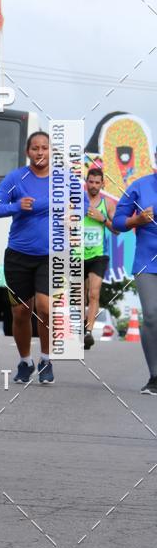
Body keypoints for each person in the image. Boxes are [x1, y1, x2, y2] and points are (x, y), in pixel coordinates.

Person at [0, 131, 55, 384]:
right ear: (28, 152)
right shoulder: (16, 178)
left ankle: (46, 359)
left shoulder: (62, 179)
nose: (40, 152)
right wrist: (17, 206)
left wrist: (68, 213)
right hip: (18, 255)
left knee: (46, 308)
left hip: (50, 255)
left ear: (51, 151)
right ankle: (25, 361)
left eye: (45, 148)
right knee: (21, 313)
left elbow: (78, 202)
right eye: (35, 148)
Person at [112, 172, 157, 395]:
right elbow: (118, 221)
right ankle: (155, 377)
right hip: (147, 263)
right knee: (151, 315)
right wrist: (136, 221)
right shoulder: (140, 186)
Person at [83, 167, 118, 349]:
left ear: (102, 184)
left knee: (94, 293)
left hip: (99, 255)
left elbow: (117, 229)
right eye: (91, 182)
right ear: (86, 182)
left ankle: (88, 332)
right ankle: (82, 328)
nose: (94, 186)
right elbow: (61, 223)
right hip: (77, 254)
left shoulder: (108, 204)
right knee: (79, 295)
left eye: (98, 183)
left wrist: (102, 218)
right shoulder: (75, 201)